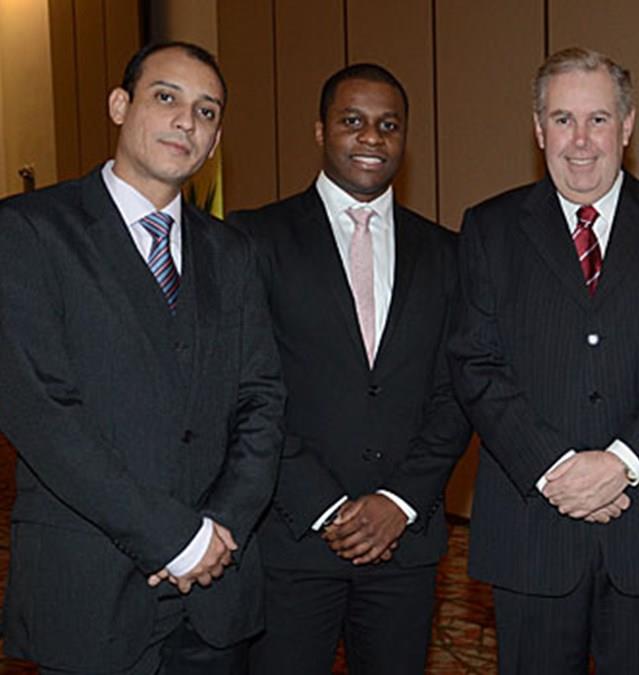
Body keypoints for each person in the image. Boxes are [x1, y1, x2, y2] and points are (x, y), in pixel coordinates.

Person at [0, 42, 285, 674]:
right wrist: (174, 538)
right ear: (119, 105)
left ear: (215, 141)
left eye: (207, 111)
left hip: (217, 587)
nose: (187, 121)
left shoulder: (232, 253)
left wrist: (218, 531)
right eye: (166, 97)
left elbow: (262, 400)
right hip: (89, 590)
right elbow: (43, 414)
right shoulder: (28, 231)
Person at [447, 47, 639, 674]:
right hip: (533, 530)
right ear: (538, 129)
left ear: (627, 126)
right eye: (563, 119)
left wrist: (622, 464)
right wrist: (558, 470)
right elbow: (475, 364)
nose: (580, 140)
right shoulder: (489, 229)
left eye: (598, 119)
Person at [227, 63, 471, 674]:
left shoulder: (446, 252)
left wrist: (399, 500)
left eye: (389, 125)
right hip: (292, 537)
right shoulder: (255, 239)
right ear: (320, 130)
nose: (371, 137)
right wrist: (324, 506)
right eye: (353, 121)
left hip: (403, 541)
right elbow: (244, 390)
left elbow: (457, 393)